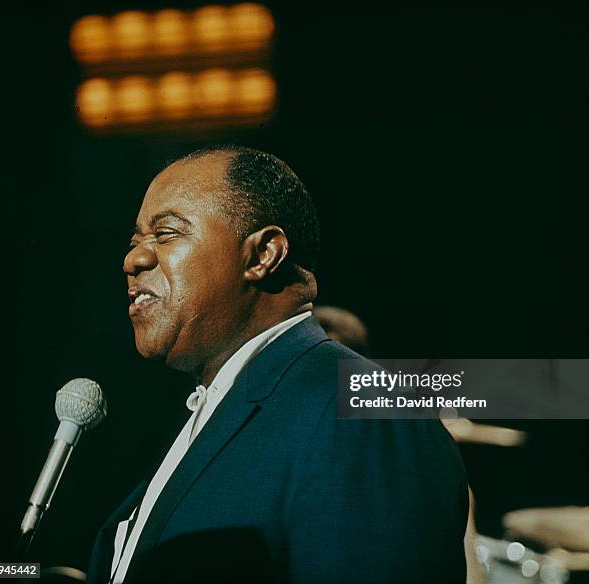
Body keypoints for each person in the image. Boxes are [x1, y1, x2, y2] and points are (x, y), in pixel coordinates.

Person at [86, 145, 468, 584]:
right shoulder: (221, 414)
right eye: (135, 242)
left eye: (167, 233)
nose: (133, 259)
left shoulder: (362, 411)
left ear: (263, 254)